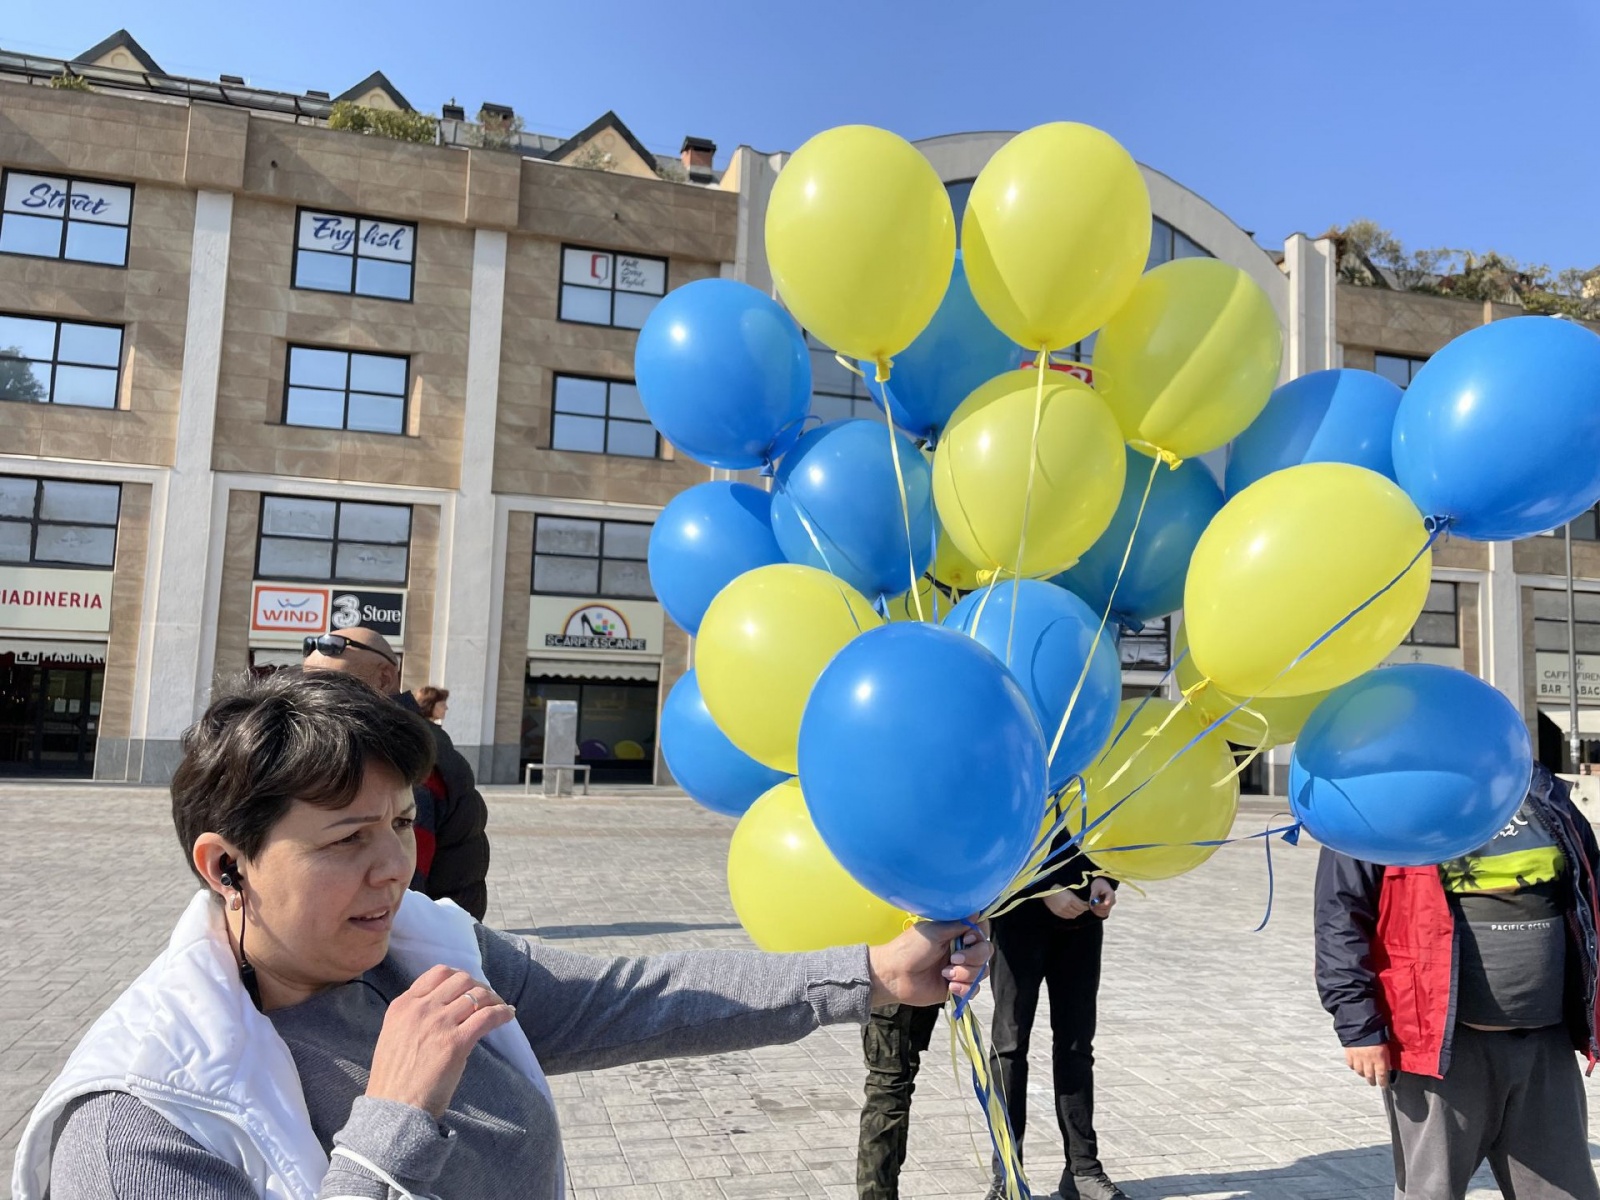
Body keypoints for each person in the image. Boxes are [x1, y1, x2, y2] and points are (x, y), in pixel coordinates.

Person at [13, 670, 992, 1200]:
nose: (394, 869)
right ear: (226, 867)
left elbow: (629, 997)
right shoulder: (137, 1121)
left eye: (400, 826)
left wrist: (867, 973)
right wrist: (390, 1126)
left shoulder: (424, 951)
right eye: (347, 839)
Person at [1315, 763, 1600, 1200]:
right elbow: (1341, 918)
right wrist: (1359, 1026)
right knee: (1432, 1193)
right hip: (1438, 1051)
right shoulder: (1377, 804)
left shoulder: (1538, 790)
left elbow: (1588, 897)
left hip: (1545, 1044)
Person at [303, 629, 491, 920]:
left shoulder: (393, 752)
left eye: (332, 684)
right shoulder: (369, 743)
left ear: (385, 678)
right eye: (307, 684)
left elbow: (400, 889)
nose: (313, 698)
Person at [983, 843, 1125, 1200]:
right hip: (1018, 915)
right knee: (1009, 1046)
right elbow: (998, 831)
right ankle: (1007, 1174)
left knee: (1076, 1046)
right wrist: (1042, 886)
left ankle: (1082, 1170)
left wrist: (1108, 879)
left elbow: (1115, 821)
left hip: (1083, 919)